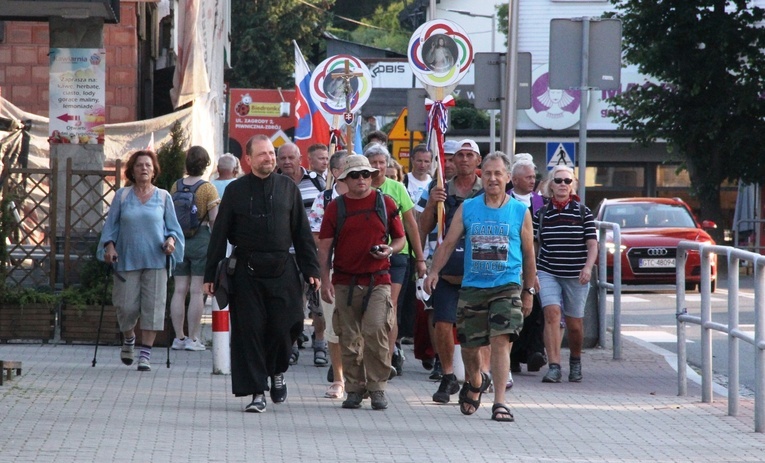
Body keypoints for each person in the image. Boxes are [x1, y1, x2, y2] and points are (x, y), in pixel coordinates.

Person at [203, 134, 321, 413]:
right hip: (246, 271)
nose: (269, 158)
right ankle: (257, 391)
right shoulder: (235, 190)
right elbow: (219, 235)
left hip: (283, 269)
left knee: (288, 325)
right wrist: (210, 274)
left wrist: (311, 268)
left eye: (271, 153)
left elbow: (302, 232)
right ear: (248, 159)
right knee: (250, 332)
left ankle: (277, 370)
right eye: (263, 154)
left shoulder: (287, 188)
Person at [424, 152, 536, 422]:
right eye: (487, 173)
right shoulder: (469, 208)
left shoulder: (520, 211)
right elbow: (448, 243)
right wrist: (434, 271)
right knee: (470, 348)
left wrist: (528, 290)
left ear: (508, 178)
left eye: (498, 173)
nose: (493, 178)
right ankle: (475, 381)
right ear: (480, 176)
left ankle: (500, 402)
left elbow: (530, 253)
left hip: (506, 285)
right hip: (473, 286)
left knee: (500, 341)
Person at [317, 155, 406, 410]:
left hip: (378, 280)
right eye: (355, 175)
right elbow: (324, 249)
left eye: (365, 174)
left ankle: (377, 387)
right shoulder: (336, 207)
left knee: (376, 329)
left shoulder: (385, 203)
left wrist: (389, 250)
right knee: (348, 337)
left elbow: (400, 238)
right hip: (344, 281)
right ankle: (355, 388)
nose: (361, 180)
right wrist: (325, 282)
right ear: (343, 179)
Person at [99, 149, 185, 372]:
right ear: (132, 170)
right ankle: (129, 338)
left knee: (153, 309)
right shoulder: (122, 196)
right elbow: (110, 228)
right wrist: (109, 247)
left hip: (156, 260)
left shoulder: (164, 196)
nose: (144, 168)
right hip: (126, 259)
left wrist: (171, 243)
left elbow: (173, 229)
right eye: (139, 165)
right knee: (125, 307)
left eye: (148, 165)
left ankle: (145, 355)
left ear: (154, 170)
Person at [417, 139, 482, 403]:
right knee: (442, 324)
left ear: (478, 160)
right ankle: (447, 375)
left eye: (469, 155)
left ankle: (475, 377)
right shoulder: (440, 187)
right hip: (446, 269)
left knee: (473, 330)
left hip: (477, 272)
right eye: (459, 155)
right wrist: (433, 203)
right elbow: (422, 227)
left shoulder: (485, 189)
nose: (464, 159)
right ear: (452, 161)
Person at [365, 143, 427, 378]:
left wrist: (420, 258)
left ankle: (387, 359)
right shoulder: (360, 186)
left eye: (382, 163)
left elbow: (411, 224)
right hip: (367, 256)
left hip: (398, 255)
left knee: (389, 307)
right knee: (368, 307)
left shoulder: (397, 188)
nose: (378, 167)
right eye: (374, 163)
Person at [535, 165, 597, 383]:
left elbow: (592, 245)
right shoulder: (542, 213)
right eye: (558, 180)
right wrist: (532, 270)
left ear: (573, 186)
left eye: (567, 181)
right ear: (551, 185)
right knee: (551, 314)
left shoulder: (583, 212)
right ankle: (553, 365)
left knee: (574, 324)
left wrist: (588, 267)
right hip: (548, 270)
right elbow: (534, 244)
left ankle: (575, 360)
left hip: (576, 273)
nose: (563, 184)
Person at [276, 142, 327, 366]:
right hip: (284, 253)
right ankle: (293, 344)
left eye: (291, 157)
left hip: (312, 252)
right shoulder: (273, 183)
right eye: (282, 158)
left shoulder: (317, 182)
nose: (287, 162)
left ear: (300, 159)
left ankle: (320, 343)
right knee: (292, 303)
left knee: (318, 302)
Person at [169, 146, 220, 352]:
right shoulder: (208, 189)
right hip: (201, 240)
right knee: (197, 291)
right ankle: (193, 338)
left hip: (179, 241)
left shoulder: (176, 186)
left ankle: (178, 338)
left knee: (179, 290)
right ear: (206, 164)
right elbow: (214, 219)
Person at [308, 150, 349, 399]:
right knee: (334, 326)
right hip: (333, 271)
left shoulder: (373, 198)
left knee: (363, 326)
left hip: (363, 272)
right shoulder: (324, 200)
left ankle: (359, 375)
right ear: (335, 173)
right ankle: (339, 378)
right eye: (348, 167)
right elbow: (314, 233)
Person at [508, 153, 548, 377]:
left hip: (539, 264)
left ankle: (535, 352)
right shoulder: (505, 201)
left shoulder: (542, 203)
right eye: (527, 177)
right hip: (513, 263)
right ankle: (513, 358)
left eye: (534, 177)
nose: (532, 181)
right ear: (514, 180)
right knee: (516, 309)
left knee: (536, 310)